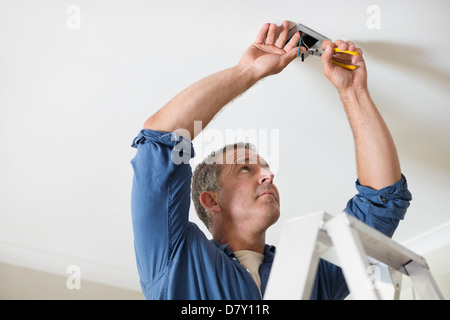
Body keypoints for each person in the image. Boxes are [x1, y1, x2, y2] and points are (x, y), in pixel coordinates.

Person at [130, 21, 412, 300]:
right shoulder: (175, 259)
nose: (268, 176)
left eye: (265, 168)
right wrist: (248, 71)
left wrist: (354, 91)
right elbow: (161, 137)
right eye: (245, 169)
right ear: (212, 201)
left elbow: (381, 202)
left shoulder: (311, 272)